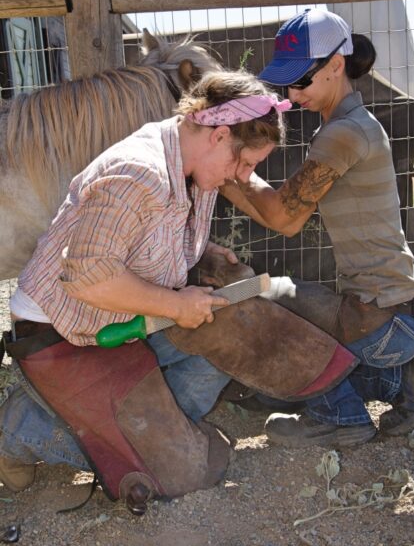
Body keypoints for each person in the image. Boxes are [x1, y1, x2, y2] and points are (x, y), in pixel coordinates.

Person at [0, 70, 289, 494]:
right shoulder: (141, 172)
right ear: (219, 134)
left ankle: (132, 418)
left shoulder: (193, 166)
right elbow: (87, 275)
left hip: (117, 319)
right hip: (60, 331)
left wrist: (200, 252)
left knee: (227, 340)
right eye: (244, 163)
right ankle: (18, 430)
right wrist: (176, 306)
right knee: (163, 470)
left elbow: (138, 235)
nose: (243, 176)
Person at [222, 8, 414, 448]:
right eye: (287, 80)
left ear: (336, 66)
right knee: (282, 349)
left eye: (300, 79)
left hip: (381, 320)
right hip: (399, 314)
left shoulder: (344, 133)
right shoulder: (353, 125)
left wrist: (228, 172)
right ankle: (398, 381)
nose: (292, 90)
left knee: (262, 294)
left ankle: (339, 417)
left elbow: (284, 218)